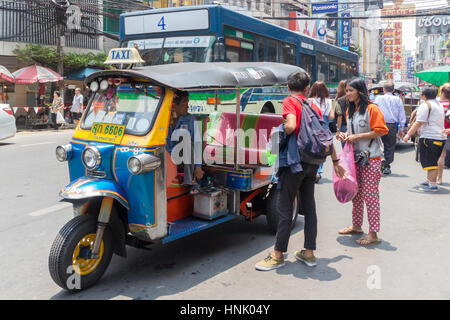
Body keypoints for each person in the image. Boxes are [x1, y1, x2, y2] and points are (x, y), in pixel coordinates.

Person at [255, 71, 346, 271]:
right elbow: (324, 134)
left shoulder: (290, 101)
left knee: (285, 207)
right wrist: (336, 161)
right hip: (313, 161)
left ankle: (278, 254)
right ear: (307, 88)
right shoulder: (313, 104)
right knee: (309, 206)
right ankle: (309, 252)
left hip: (295, 162)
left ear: (288, 87)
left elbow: (291, 125)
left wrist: (278, 131)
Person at [337, 78, 388, 246]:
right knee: (356, 193)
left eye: (351, 90)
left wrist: (356, 136)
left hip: (371, 159)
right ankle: (357, 225)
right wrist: (344, 135)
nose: (348, 94)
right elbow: (350, 131)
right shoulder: (350, 110)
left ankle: (373, 234)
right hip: (355, 159)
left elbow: (381, 130)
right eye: (346, 91)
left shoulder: (372, 109)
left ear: (360, 91)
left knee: (371, 195)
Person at [403, 86, 446, 192]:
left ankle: (432, 185)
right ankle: (429, 180)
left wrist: (408, 135)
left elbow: (419, 122)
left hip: (429, 137)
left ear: (423, 95)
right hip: (439, 137)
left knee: (430, 162)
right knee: (432, 160)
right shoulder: (438, 104)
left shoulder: (425, 105)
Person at [166, 90, 204, 188]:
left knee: (186, 140)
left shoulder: (191, 119)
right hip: (167, 159)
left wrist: (198, 167)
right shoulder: (165, 119)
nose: (187, 106)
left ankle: (189, 180)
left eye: (188, 103)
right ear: (174, 105)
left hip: (183, 160)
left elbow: (197, 143)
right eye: (184, 103)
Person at [373, 81, 406, 175]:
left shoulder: (378, 99)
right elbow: (401, 115)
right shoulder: (398, 99)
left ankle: (381, 159)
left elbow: (373, 112)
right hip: (391, 126)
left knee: (376, 144)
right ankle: (386, 165)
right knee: (390, 146)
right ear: (394, 90)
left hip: (379, 125)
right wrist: (401, 128)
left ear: (383, 89)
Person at [308, 81, 335, 182]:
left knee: (312, 149)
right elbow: (332, 117)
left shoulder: (309, 101)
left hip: (312, 128)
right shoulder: (328, 101)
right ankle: (319, 171)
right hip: (324, 128)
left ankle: (313, 171)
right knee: (323, 150)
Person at [437, 83, 450, 185]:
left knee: (437, 156)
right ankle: (439, 179)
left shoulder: (436, 104)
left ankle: (433, 178)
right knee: (442, 156)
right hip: (446, 131)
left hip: (437, 132)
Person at [335, 80, 349, 148]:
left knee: (345, 149)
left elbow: (339, 117)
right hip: (351, 125)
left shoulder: (340, 100)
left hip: (343, 126)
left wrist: (338, 130)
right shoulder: (351, 98)